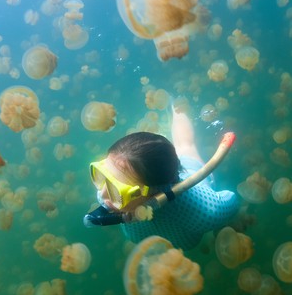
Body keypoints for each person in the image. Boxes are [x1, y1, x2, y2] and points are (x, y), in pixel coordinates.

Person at [89, 104, 239, 249]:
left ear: (154, 195)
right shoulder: (109, 196)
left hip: (191, 175)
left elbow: (231, 200)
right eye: (102, 176)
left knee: (186, 146)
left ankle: (178, 104)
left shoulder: (203, 210)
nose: (101, 194)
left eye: (117, 190)